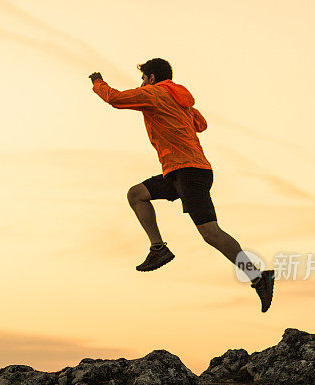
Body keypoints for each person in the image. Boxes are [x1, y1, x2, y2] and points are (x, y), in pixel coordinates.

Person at [89, 58, 274, 312]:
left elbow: (115, 98)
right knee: (137, 195)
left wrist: (97, 81)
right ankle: (158, 249)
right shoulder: (179, 98)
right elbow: (201, 124)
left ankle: (257, 275)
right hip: (181, 171)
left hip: (189, 172)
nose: (141, 84)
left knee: (211, 233)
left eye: (143, 79)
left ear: (151, 78)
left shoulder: (154, 93)